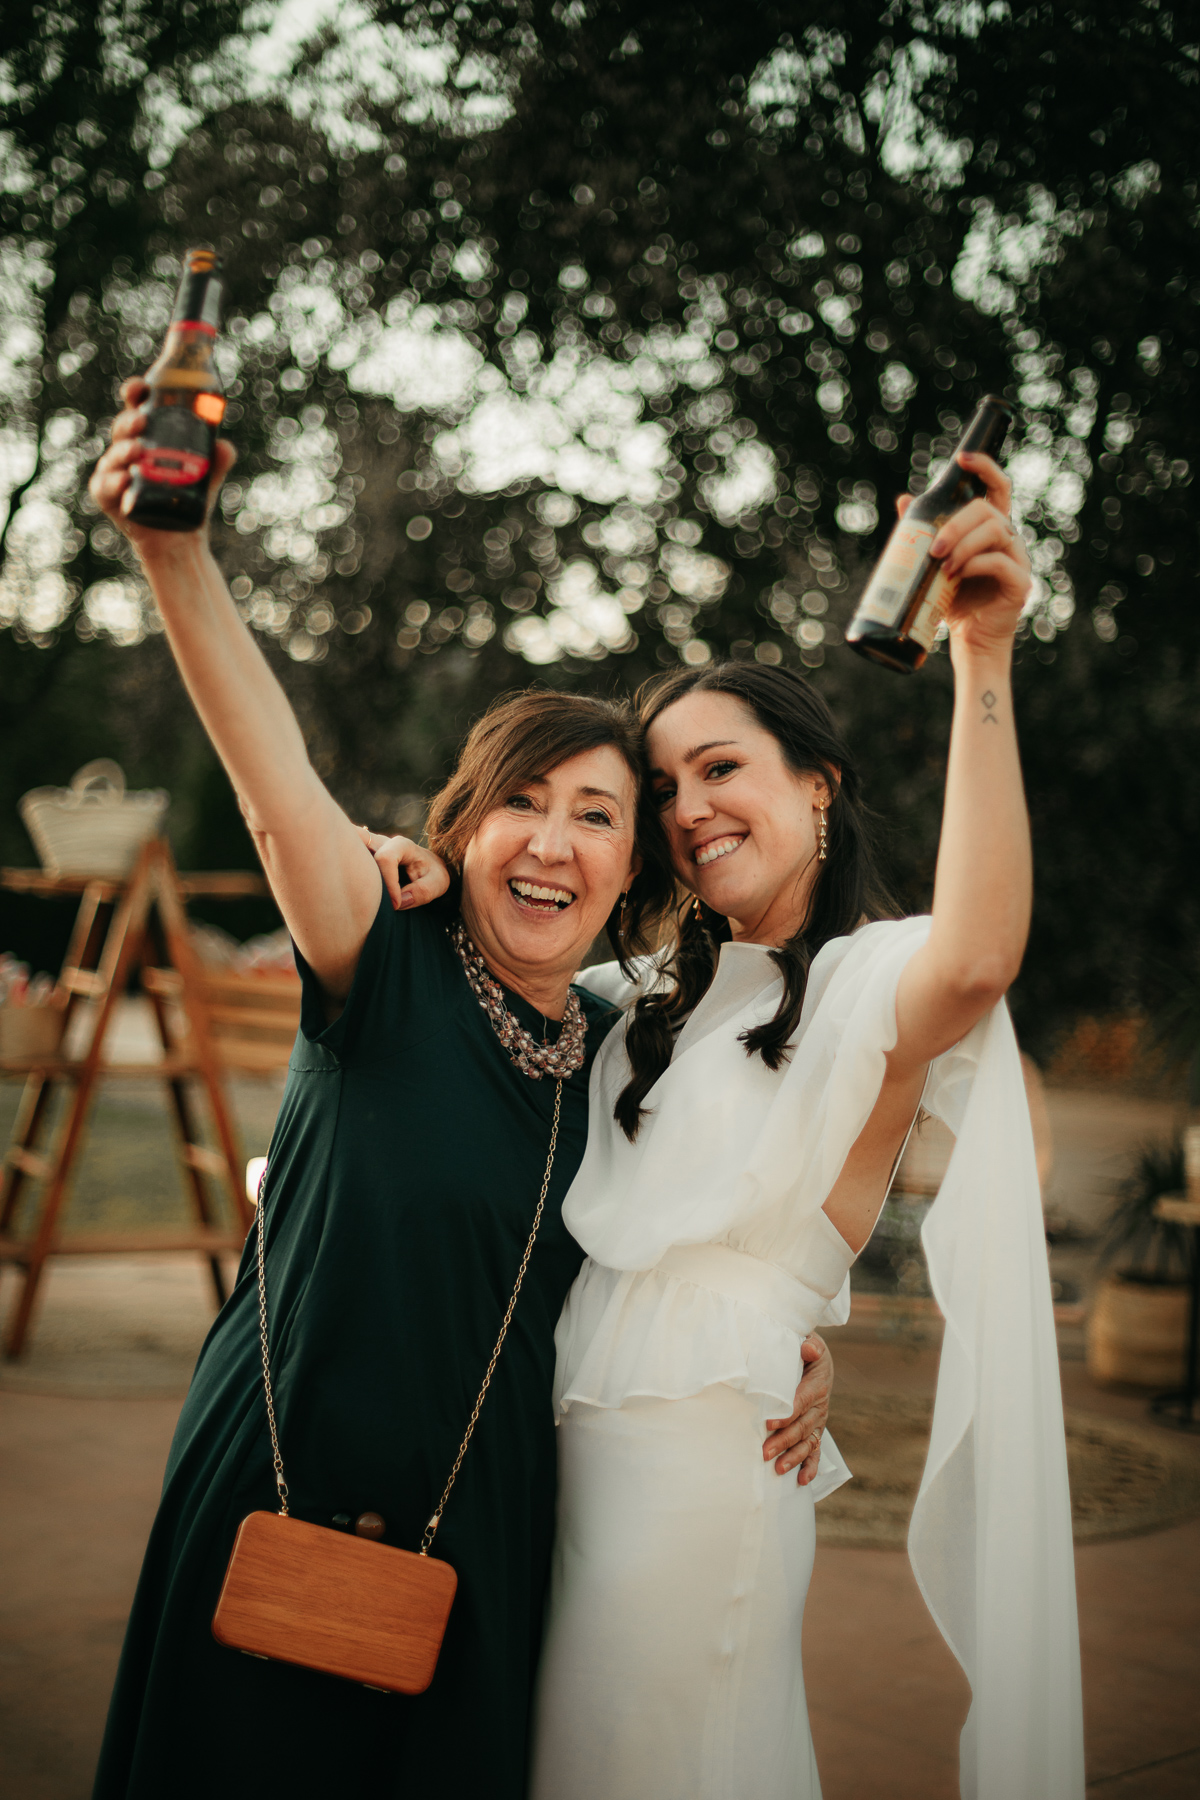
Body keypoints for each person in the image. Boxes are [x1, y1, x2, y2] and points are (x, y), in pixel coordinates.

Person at [85, 380, 835, 1800]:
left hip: (482, 1543)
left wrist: (793, 1338)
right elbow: (270, 785)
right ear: (465, 825)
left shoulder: (627, 1054)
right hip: (274, 1492)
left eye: (597, 815)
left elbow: (700, 1240)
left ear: (636, 873)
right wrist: (176, 557)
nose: (552, 841)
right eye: (522, 801)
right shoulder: (380, 956)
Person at [380, 450, 1084, 1799]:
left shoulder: (877, 979)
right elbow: (493, 962)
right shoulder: (642, 997)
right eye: (664, 787)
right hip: (565, 1441)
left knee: (665, 1758)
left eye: (723, 768)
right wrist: (402, 872)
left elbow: (986, 957)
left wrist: (984, 658)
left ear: (818, 783)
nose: (690, 809)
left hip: (703, 1459)